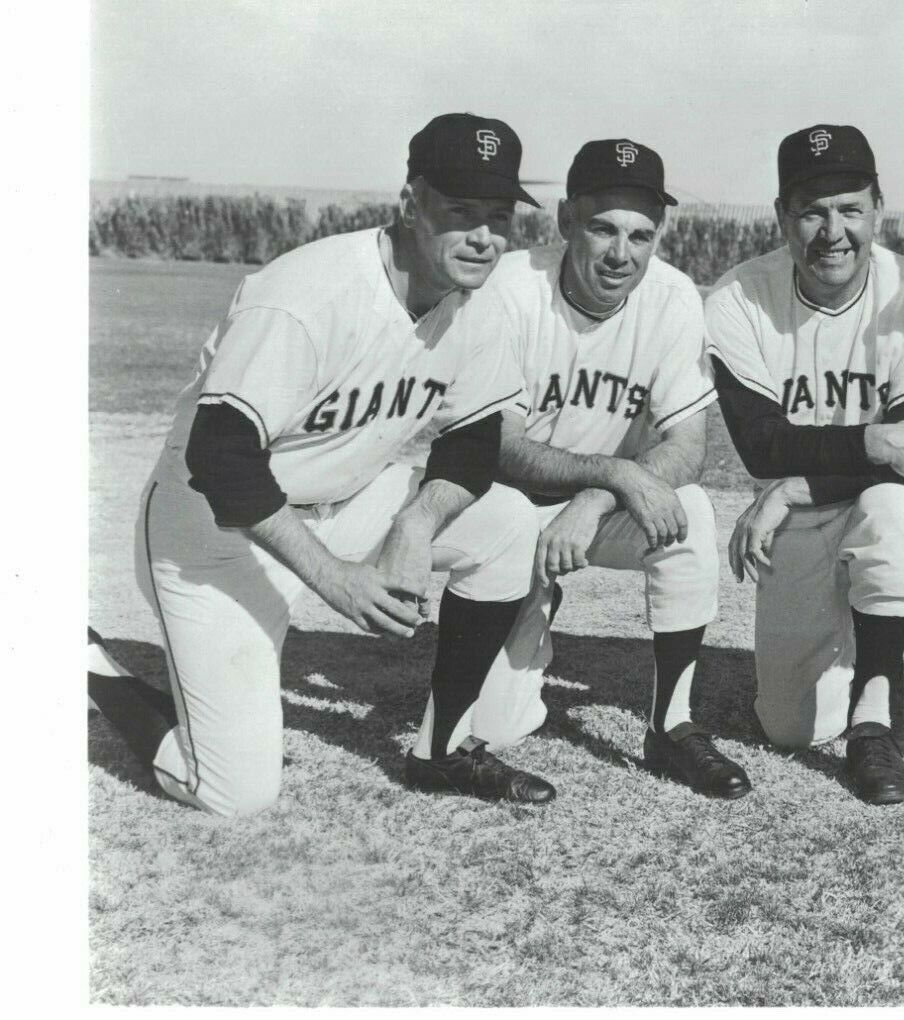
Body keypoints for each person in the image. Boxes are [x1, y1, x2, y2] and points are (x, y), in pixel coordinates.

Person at [87, 113, 557, 817]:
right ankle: (88, 667)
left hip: (344, 504)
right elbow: (220, 457)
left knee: (507, 522)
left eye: (499, 215)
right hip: (213, 534)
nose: (485, 236)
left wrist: (415, 526)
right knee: (234, 793)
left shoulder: (473, 305)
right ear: (411, 200)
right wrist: (337, 579)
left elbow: (474, 436)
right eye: (460, 211)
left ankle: (441, 747)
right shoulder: (311, 292)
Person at [466, 137, 751, 799]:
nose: (622, 254)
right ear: (566, 221)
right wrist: (614, 475)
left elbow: (688, 447)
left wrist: (598, 495)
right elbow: (497, 446)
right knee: (501, 727)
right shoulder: (510, 288)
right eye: (602, 229)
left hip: (589, 510)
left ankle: (671, 724)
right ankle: (526, 604)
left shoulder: (674, 297)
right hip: (505, 508)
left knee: (693, 514)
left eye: (641, 235)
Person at [703, 123, 904, 804]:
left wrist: (795, 484)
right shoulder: (737, 298)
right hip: (816, 500)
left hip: (902, 499)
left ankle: (875, 714)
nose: (832, 231)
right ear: (782, 215)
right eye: (812, 211)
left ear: (878, 209)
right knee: (788, 728)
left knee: (888, 506)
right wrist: (867, 444)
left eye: (850, 208)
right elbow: (760, 444)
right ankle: (848, 636)